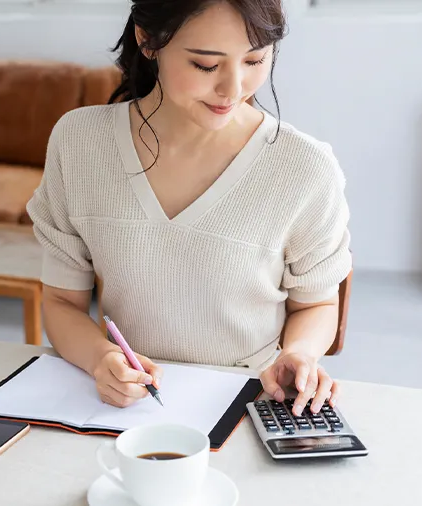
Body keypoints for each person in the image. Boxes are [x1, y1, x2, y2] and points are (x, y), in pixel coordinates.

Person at [26, 0, 352, 419]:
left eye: (255, 60)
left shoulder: (304, 167)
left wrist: (299, 354)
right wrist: (100, 358)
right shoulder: (78, 143)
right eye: (205, 65)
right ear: (148, 41)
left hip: (244, 401)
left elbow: (316, 305)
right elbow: (61, 303)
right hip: (123, 405)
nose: (233, 89)